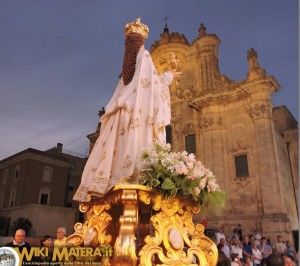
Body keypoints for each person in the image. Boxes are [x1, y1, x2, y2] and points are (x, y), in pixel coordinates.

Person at [73, 18, 181, 202]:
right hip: (137, 116)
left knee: (118, 151)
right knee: (136, 151)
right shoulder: (144, 56)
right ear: (142, 41)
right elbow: (151, 85)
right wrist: (168, 77)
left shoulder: (126, 67)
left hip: (122, 116)